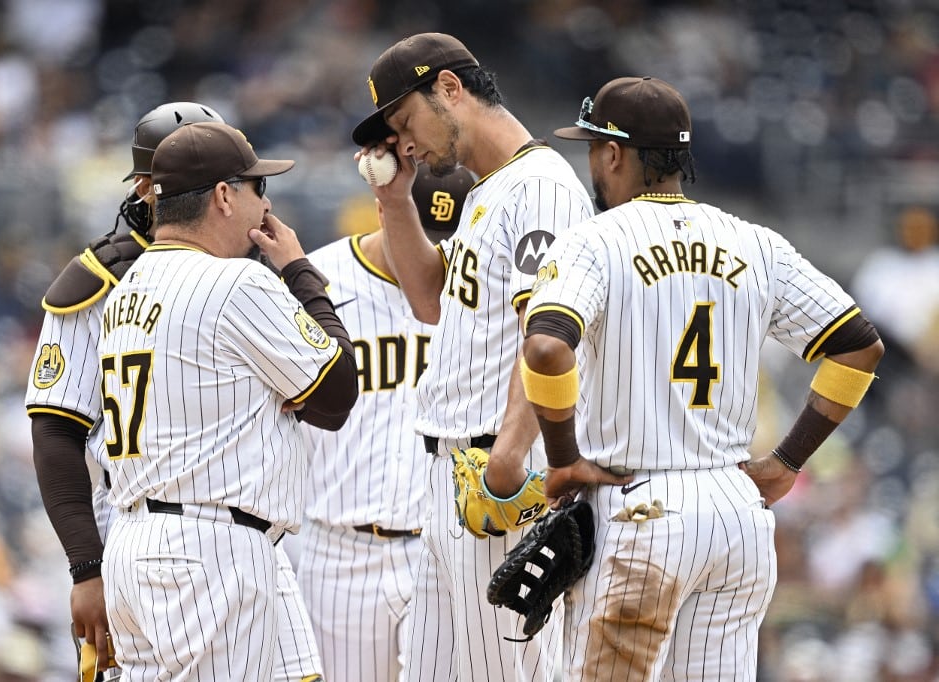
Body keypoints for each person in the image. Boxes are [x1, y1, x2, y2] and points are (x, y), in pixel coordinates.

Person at [520, 75, 885, 680]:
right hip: (733, 511)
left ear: (614, 153)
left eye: (592, 147)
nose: (590, 162)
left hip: (639, 507)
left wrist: (561, 458)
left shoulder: (592, 241)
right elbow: (858, 347)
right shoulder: (754, 242)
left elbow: (546, 348)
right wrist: (788, 461)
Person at [351, 32, 630, 681]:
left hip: (499, 470)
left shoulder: (540, 187)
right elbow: (429, 302)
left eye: (405, 120)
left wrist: (506, 455)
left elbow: (549, 330)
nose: (405, 142)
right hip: (452, 470)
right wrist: (395, 200)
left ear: (450, 88)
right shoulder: (486, 192)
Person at [26, 105, 330, 682]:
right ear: (150, 186)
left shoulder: (237, 266)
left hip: (244, 529)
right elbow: (55, 432)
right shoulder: (100, 281)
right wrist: (85, 567)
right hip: (140, 533)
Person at [297, 163, 474, 682]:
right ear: (385, 209)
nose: (432, 253)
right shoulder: (318, 284)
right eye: (419, 233)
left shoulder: (469, 291)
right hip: (337, 548)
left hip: (440, 550)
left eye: (446, 241)